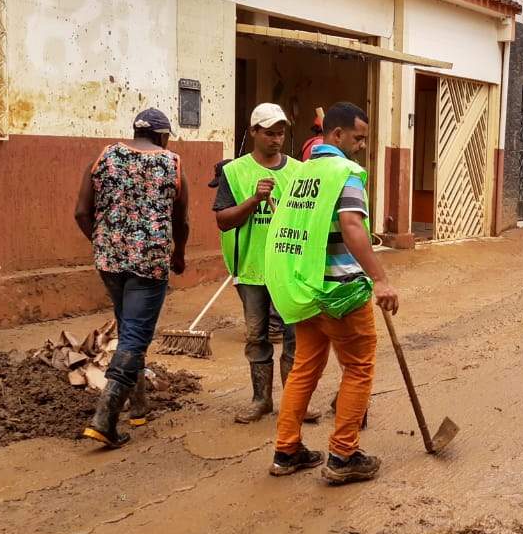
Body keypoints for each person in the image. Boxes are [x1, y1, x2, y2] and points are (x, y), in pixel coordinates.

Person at [264, 102, 399, 485]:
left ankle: (286, 450)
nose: (360, 146)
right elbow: (352, 225)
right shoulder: (346, 173)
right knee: (357, 368)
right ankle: (343, 455)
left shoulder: (302, 174)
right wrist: (381, 279)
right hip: (341, 292)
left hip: (305, 288)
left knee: (304, 367)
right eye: (357, 138)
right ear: (336, 135)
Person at [74, 108, 189, 447]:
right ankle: (104, 419)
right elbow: (181, 221)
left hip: (109, 261)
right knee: (136, 336)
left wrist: (102, 242)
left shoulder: (105, 157)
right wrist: (179, 255)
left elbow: (81, 212)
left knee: (129, 328)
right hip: (150, 263)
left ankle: (138, 407)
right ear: (163, 136)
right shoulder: (172, 163)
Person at [214, 103, 320, 424]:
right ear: (254, 133)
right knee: (256, 337)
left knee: (294, 337)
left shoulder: (299, 171)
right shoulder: (234, 172)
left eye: (281, 133)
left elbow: (309, 218)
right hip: (251, 269)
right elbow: (222, 220)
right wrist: (254, 200)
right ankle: (261, 400)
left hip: (289, 270)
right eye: (269, 133)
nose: (276, 139)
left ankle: (294, 402)